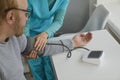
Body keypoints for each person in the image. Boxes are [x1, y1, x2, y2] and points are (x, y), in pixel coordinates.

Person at [0, 0, 92, 80]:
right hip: (29, 34)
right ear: (11, 16)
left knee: (49, 66)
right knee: (37, 68)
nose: (27, 18)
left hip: (38, 35)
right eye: (26, 13)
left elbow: (43, 48)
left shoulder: (16, 39)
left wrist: (73, 43)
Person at [24, 0, 70, 79]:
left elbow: (58, 21)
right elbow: (25, 23)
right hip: (30, 33)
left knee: (50, 63)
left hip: (48, 31)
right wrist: (27, 44)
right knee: (36, 63)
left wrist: (46, 33)